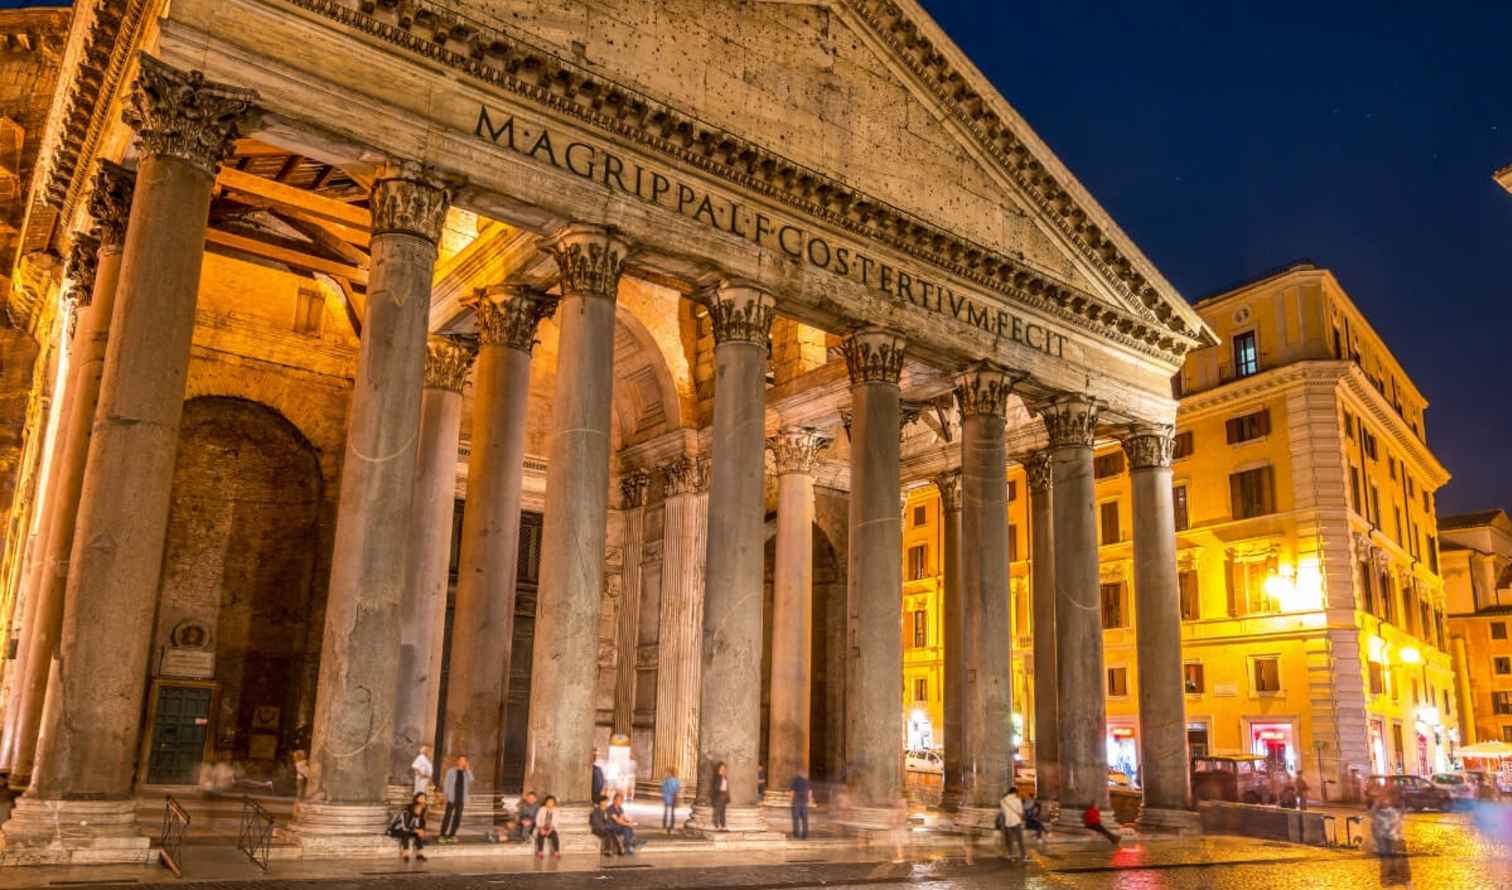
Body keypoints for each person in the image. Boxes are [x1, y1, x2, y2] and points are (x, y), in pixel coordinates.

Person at [439, 754, 473, 843]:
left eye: (464, 760)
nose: (462, 762)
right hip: (451, 797)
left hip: (461, 798)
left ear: (466, 762)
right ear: (457, 761)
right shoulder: (451, 771)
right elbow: (446, 783)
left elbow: (471, 780)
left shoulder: (466, 772)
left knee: (457, 818)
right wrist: (445, 795)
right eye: (460, 760)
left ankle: (452, 835)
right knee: (447, 817)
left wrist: (468, 769)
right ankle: (442, 835)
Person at [387, 791, 428, 862]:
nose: (423, 799)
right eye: (421, 797)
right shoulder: (407, 811)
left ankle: (420, 854)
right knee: (406, 834)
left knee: (418, 836)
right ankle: (405, 854)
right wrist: (417, 830)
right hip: (398, 829)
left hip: (410, 829)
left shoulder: (423, 811)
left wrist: (422, 831)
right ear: (416, 799)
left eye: (424, 798)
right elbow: (405, 826)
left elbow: (422, 823)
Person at [999, 787, 1026, 861]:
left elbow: (1003, 812)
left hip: (1008, 822)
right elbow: (1021, 812)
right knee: (1020, 839)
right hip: (1016, 821)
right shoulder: (1017, 800)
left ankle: (1011, 855)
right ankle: (1023, 855)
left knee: (1010, 840)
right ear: (1015, 792)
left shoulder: (1003, 801)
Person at [790, 773, 812, 840]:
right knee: (805, 819)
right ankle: (805, 834)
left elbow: (792, 792)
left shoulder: (795, 780)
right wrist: (808, 800)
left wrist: (791, 801)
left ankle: (796, 834)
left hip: (796, 802)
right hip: (804, 803)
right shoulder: (807, 781)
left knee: (796, 819)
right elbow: (810, 792)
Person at [660, 768, 681, 833]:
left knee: (666, 811)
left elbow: (662, 788)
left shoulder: (667, 780)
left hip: (667, 796)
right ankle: (672, 825)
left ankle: (664, 824)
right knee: (672, 812)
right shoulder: (677, 781)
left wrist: (664, 795)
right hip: (673, 797)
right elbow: (678, 789)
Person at [712, 762, 731, 830]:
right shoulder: (717, 777)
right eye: (722, 768)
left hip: (724, 795)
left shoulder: (725, 777)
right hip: (719, 795)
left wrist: (727, 796)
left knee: (723, 812)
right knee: (717, 811)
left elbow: (726, 787)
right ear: (719, 769)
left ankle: (723, 825)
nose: (723, 770)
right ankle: (716, 825)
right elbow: (715, 787)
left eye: (724, 768)